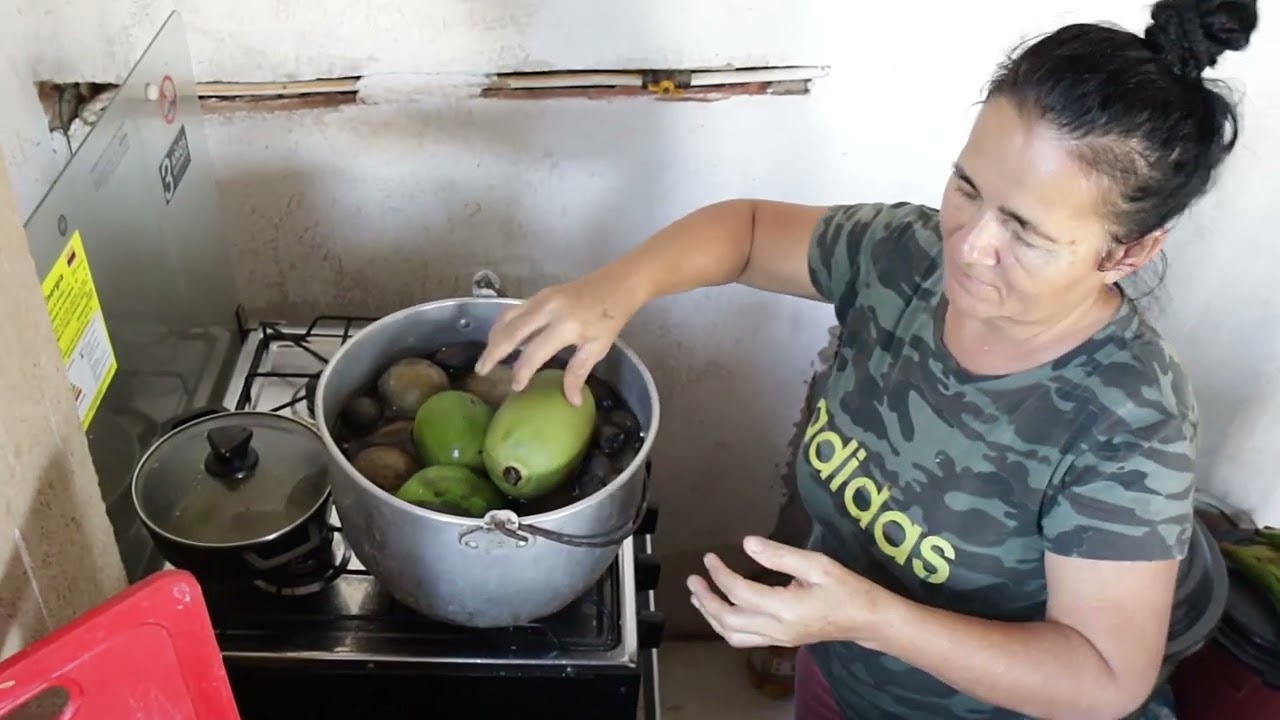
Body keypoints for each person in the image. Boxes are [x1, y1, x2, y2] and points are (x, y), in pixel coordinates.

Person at [474, 0, 1260, 717]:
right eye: (966, 185)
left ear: (1128, 251)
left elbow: (1100, 675)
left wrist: (870, 618)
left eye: (1025, 230)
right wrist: (615, 290)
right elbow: (747, 232)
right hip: (842, 676)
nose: (970, 245)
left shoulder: (1125, 421)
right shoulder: (901, 257)